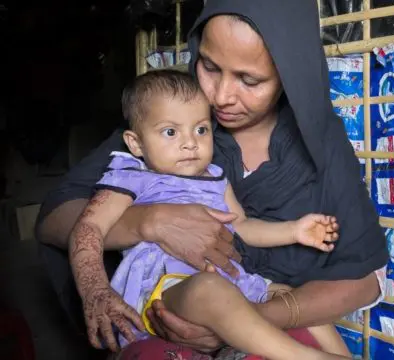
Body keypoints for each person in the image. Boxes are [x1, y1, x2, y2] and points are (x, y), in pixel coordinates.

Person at [36, 0, 390, 358]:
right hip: (173, 306)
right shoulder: (167, 121)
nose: (220, 97)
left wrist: (248, 317)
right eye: (208, 66)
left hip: (260, 308)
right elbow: (56, 219)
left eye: (249, 80)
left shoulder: (320, 143)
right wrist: (150, 221)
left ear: (289, 73)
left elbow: (362, 276)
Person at [67, 69, 348, 360]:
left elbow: (241, 225)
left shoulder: (214, 177)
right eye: (170, 132)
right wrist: (95, 290)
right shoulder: (132, 177)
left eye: (201, 129)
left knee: (294, 299)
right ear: (136, 143)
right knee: (208, 288)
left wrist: (294, 230)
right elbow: (88, 228)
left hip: (230, 284)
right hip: (165, 292)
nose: (190, 142)